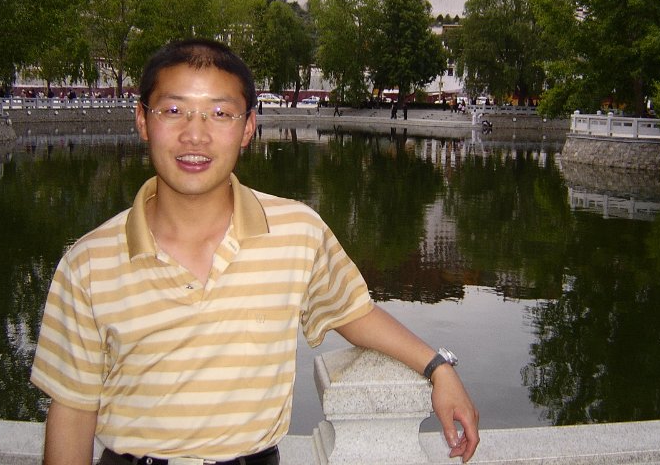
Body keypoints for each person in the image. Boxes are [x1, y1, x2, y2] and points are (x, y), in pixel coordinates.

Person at [30, 38, 479, 465]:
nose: (195, 135)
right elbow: (73, 408)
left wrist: (438, 368)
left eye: (220, 114)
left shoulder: (296, 232)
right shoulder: (89, 262)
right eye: (174, 110)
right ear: (143, 120)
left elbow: (354, 313)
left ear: (247, 128)